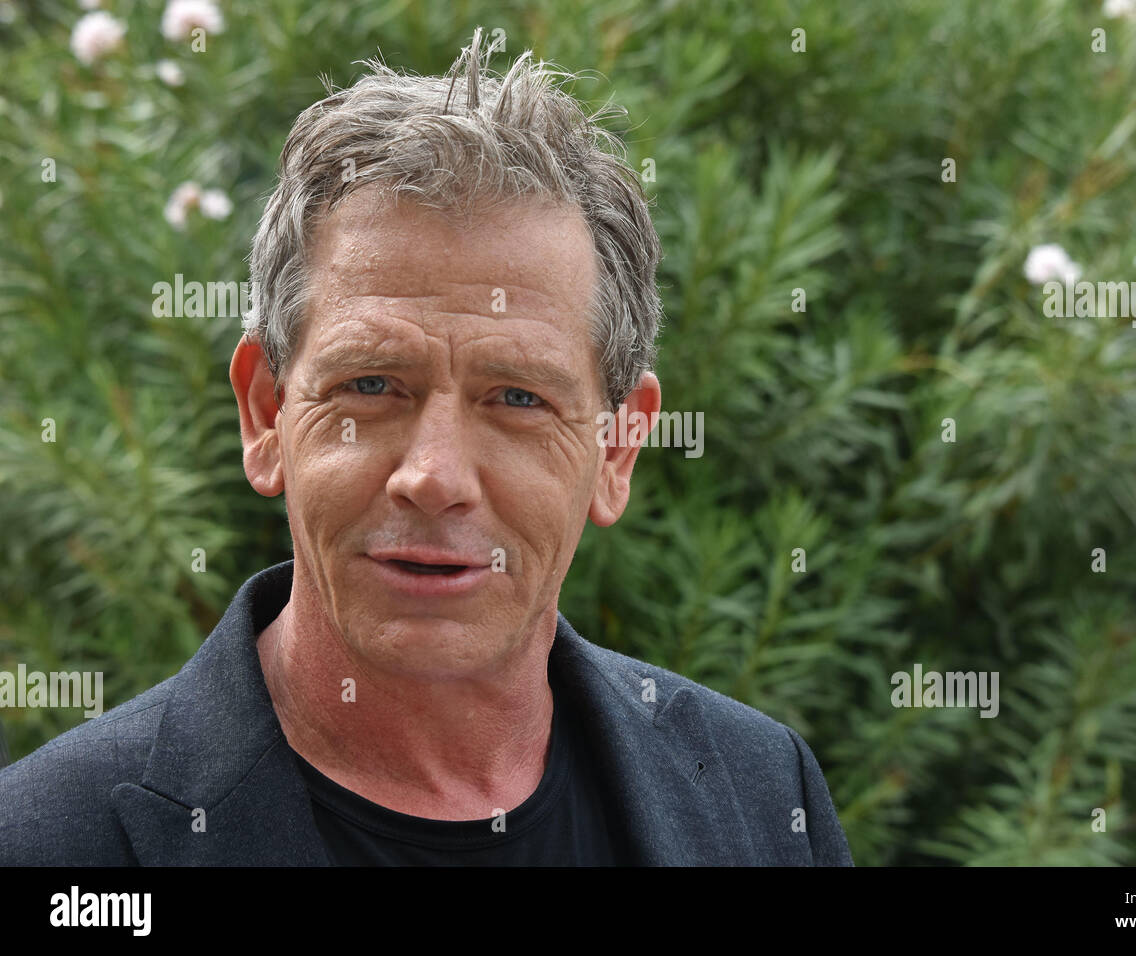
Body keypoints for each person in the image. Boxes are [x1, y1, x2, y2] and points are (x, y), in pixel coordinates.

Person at [0, 27, 852, 866]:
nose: (434, 478)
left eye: (518, 398)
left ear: (618, 448)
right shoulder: (48, 843)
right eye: (371, 386)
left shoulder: (762, 798)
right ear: (266, 414)